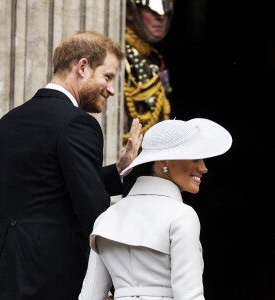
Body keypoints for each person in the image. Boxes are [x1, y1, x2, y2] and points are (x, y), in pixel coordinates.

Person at [0, 31, 142, 300]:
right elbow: (93, 213)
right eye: (108, 77)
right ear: (83, 67)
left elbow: (46, 187)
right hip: (49, 278)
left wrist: (118, 171)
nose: (111, 89)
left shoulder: (10, 120)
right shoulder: (79, 123)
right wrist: (112, 284)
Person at [79, 117, 232, 300]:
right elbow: (190, 296)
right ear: (163, 161)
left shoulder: (106, 218)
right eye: (195, 158)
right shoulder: (182, 215)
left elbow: (89, 296)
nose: (204, 168)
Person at [123, 0, 174, 145]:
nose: (161, 17)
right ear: (129, 12)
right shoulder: (121, 56)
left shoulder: (153, 58)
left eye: (165, 10)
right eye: (152, 11)